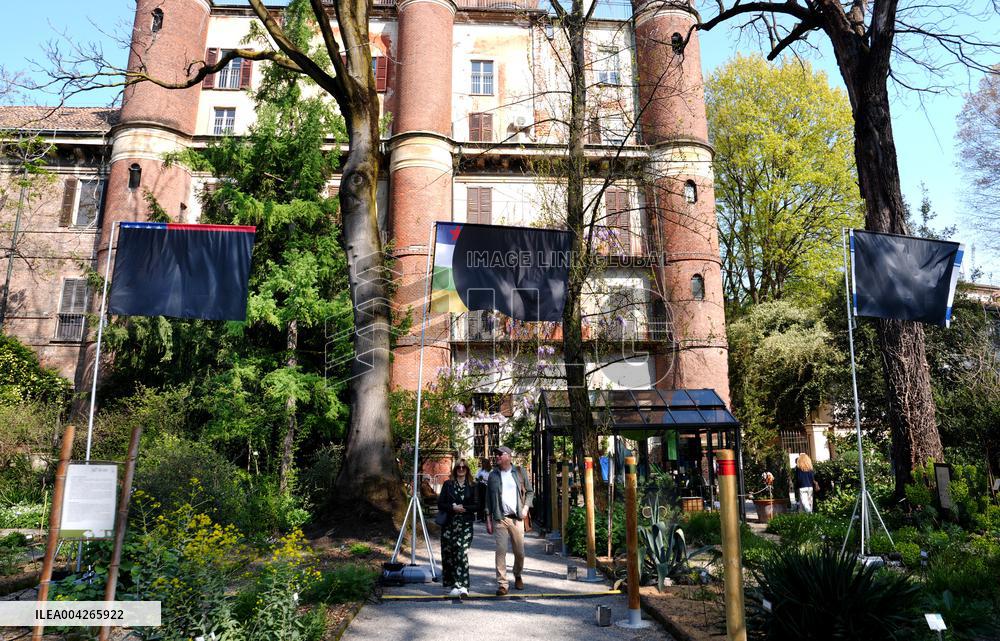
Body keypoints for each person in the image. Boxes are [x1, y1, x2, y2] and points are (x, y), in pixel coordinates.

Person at [485, 446, 534, 596]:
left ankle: (517, 574)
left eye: (500, 454)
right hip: (500, 518)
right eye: (496, 454)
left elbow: (530, 492)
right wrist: (488, 518)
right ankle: (502, 584)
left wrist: (526, 507)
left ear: (509, 456)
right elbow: (488, 498)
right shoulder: (493, 475)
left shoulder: (519, 472)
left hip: (517, 518)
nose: (497, 456)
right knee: (501, 551)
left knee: (519, 552)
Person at [438, 458, 479, 598]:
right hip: (449, 524)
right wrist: (452, 507)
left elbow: (477, 505)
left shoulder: (473, 485)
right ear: (455, 469)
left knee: (461, 552)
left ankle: (463, 585)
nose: (461, 470)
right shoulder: (448, 484)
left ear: (467, 470)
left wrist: (463, 508)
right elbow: (440, 504)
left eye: (464, 468)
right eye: (458, 468)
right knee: (450, 554)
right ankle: (454, 584)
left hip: (465, 524)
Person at [475, 457, 492, 522]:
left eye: (484, 463)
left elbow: (491, 480)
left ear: (487, 464)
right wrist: (479, 478)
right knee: (480, 502)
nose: (483, 464)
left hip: (487, 487)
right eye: (482, 463)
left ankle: (487, 517)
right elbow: (476, 478)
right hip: (480, 487)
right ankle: (480, 517)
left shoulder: (490, 471)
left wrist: (484, 479)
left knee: (486, 502)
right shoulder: (480, 470)